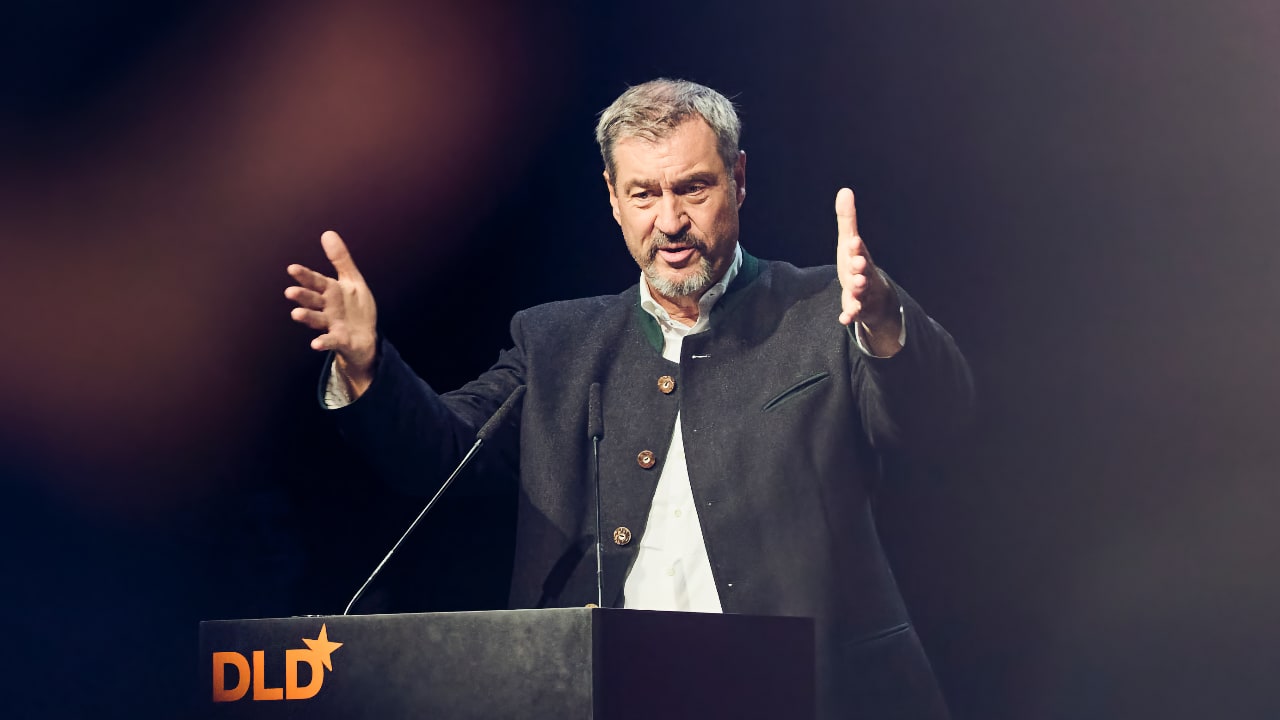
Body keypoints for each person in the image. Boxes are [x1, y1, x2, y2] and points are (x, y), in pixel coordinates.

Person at [286, 78, 974, 720]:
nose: (669, 221)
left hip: (809, 694)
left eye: (693, 189)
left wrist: (884, 323)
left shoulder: (829, 308)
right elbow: (440, 455)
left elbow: (935, 422)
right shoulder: (556, 342)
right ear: (613, 197)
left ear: (737, 181)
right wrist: (368, 364)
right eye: (644, 195)